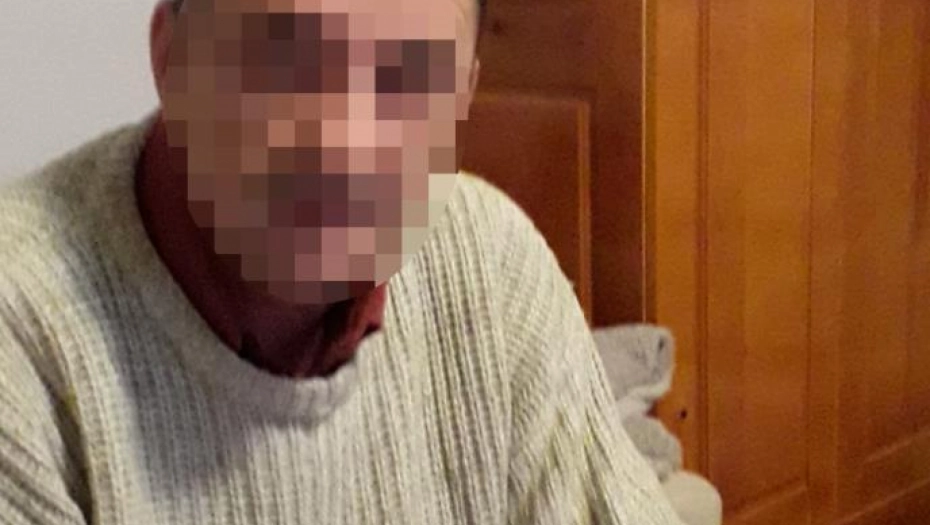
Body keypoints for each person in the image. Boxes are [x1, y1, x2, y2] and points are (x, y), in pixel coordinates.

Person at [0, 0, 685, 523]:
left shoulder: (489, 261)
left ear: (463, 96)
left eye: (408, 80)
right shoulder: (22, 333)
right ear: (171, 60)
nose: (344, 144)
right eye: (288, 64)